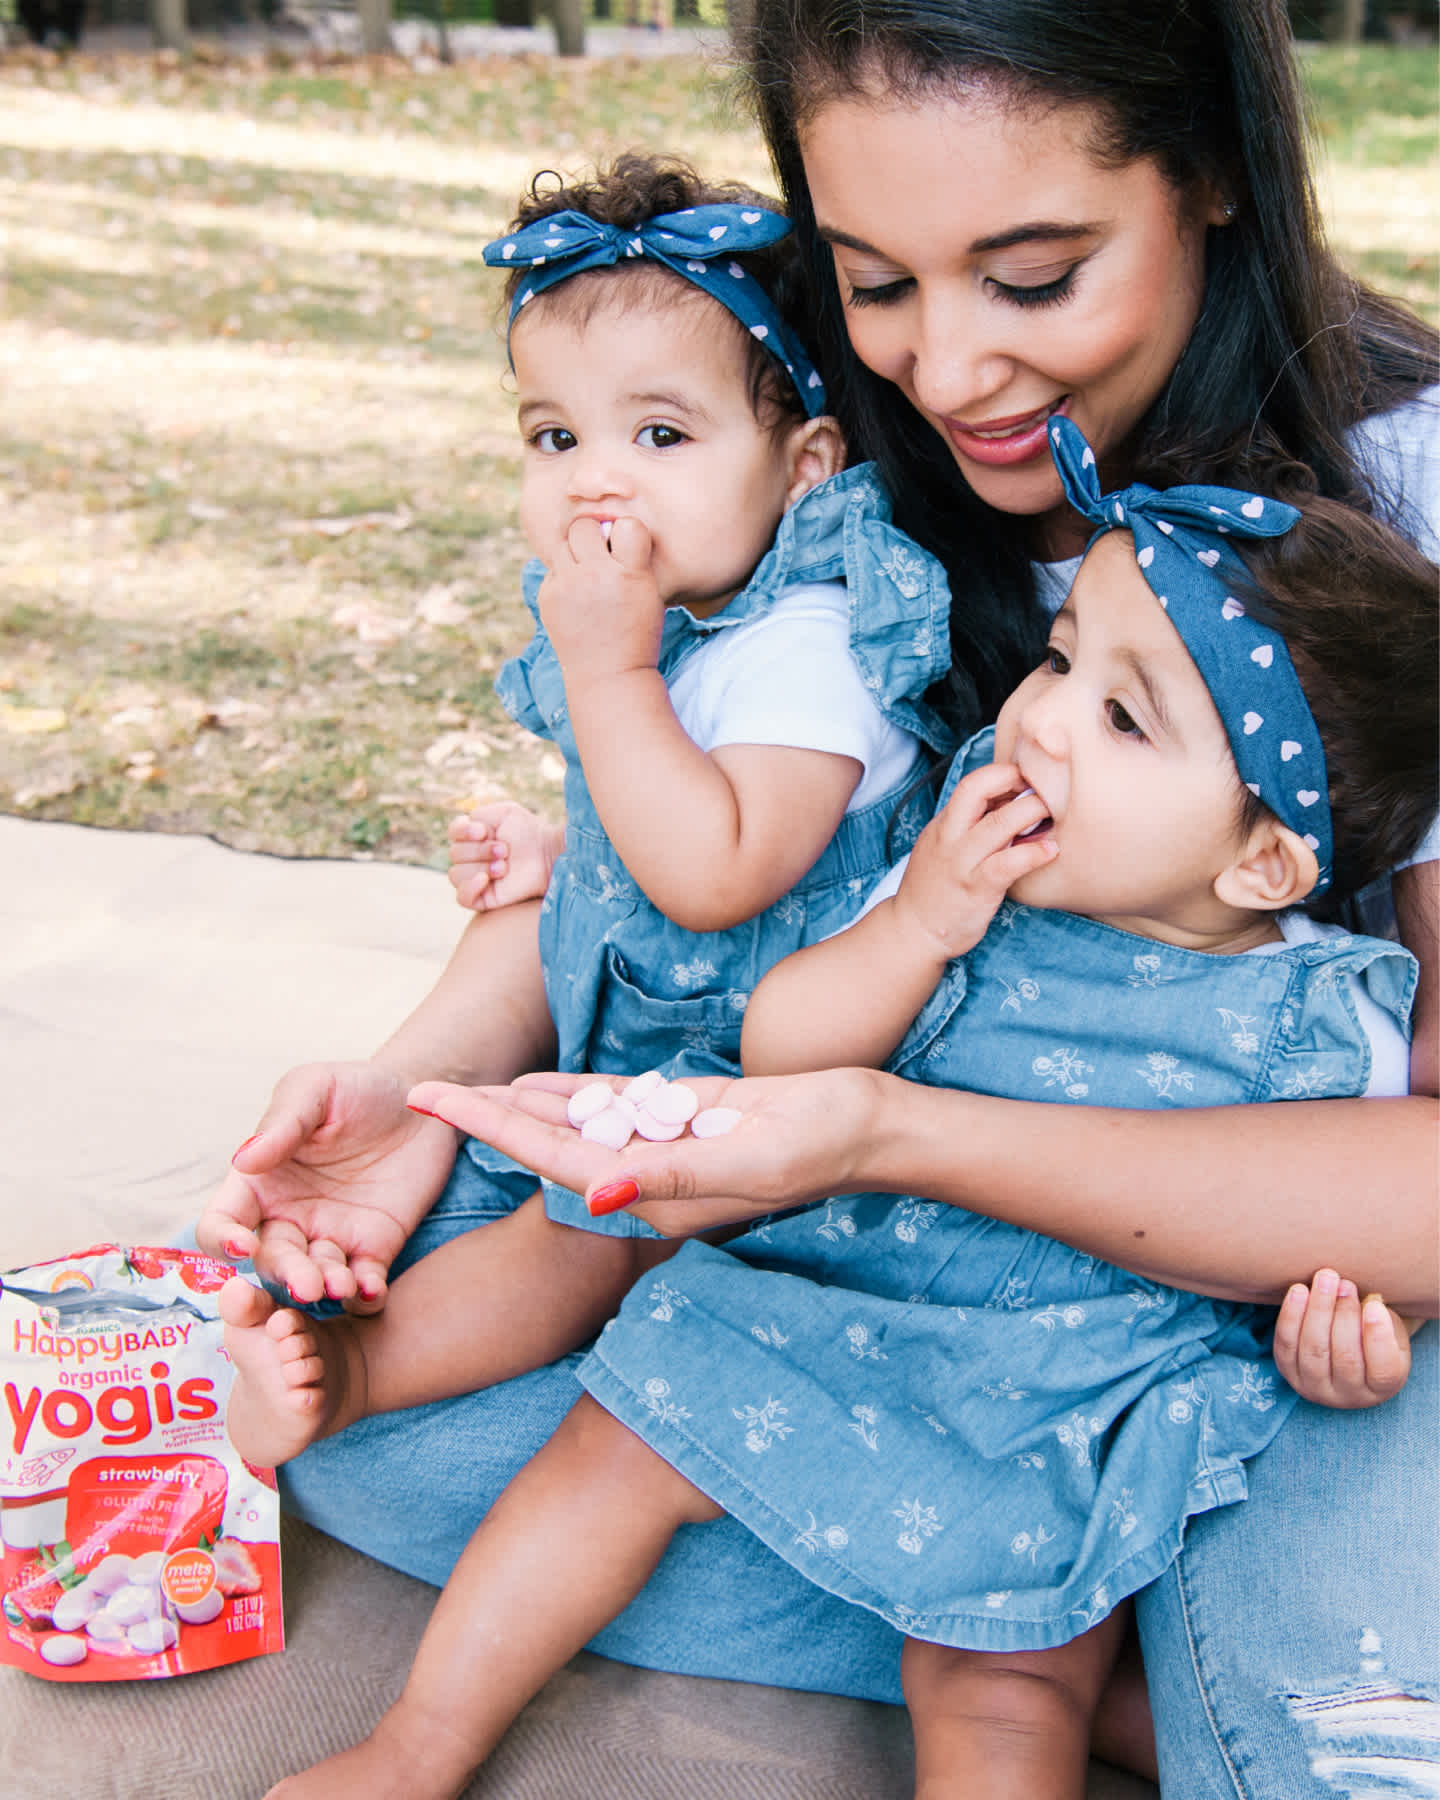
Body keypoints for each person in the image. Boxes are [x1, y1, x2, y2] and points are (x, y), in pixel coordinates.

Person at [198, 2, 1439, 1790]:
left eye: (1034, 277)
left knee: (1337, 1707)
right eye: (875, 282)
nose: (945, 374)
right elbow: (693, 860)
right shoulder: (815, 449)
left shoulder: (1395, 525)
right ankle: (1048, 1604)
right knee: (372, 1427)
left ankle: (1124, 1627)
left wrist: (885, 1133)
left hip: (1244, 1296)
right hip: (854, 1241)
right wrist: (427, 1075)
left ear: (1220, 183)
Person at [216, 151, 954, 1471]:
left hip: (773, 1090)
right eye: (555, 436)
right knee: (476, 1173)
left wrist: (607, 674)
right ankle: (353, 1269)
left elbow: (726, 870)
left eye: (659, 435)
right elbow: (669, 817)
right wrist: (566, 853)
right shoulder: (690, 630)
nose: (593, 481)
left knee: (578, 1238)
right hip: (650, 1041)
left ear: (805, 466)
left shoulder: (815, 641)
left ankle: (354, 1372)